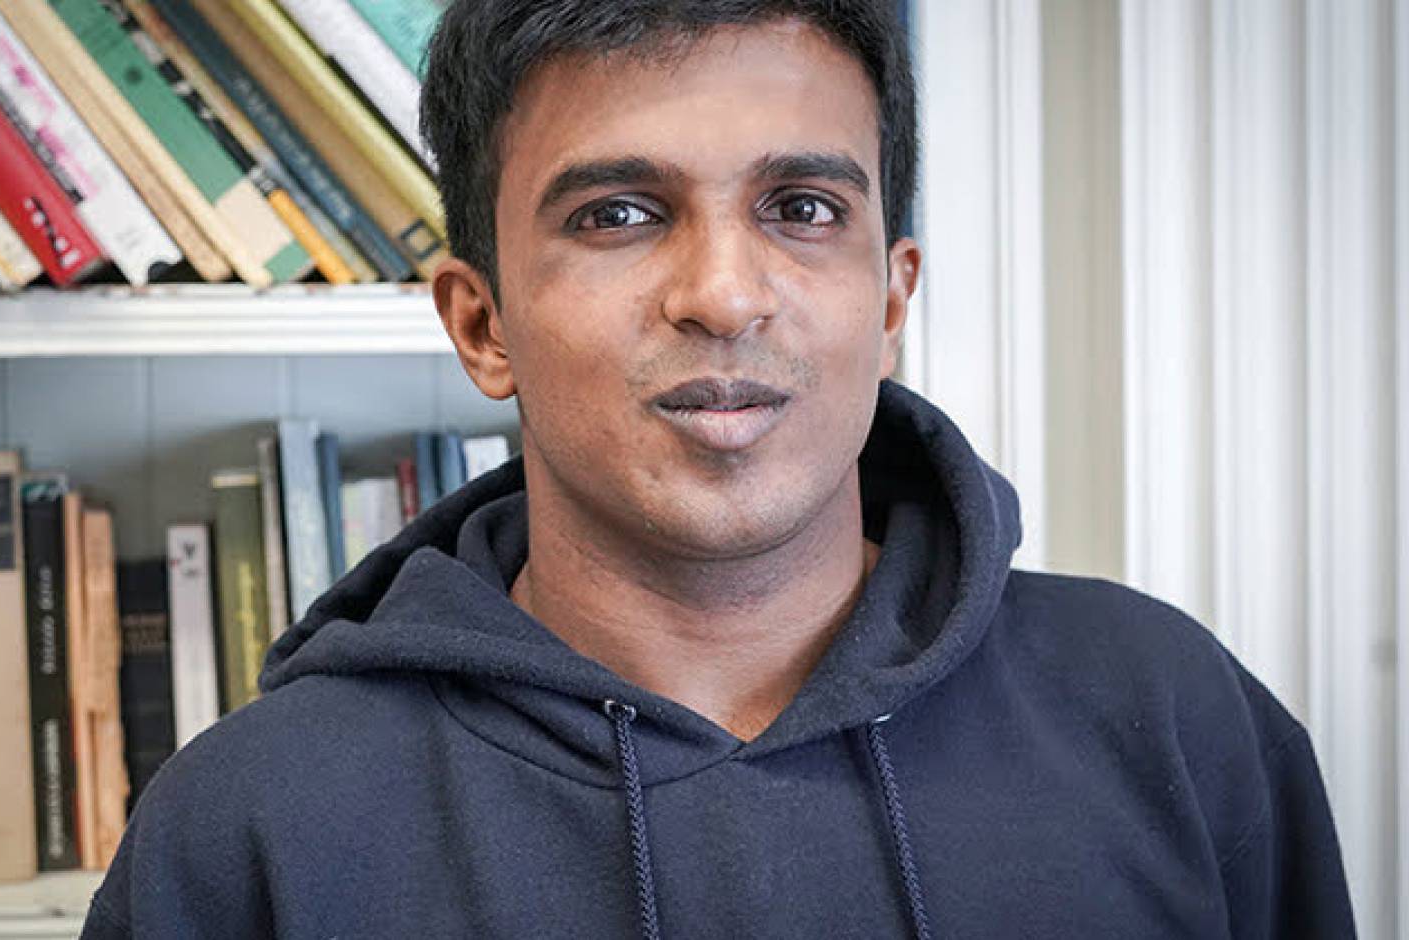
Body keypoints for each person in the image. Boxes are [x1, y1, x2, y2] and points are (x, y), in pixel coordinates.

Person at [81, 2, 1355, 936]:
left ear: (891, 291)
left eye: (802, 207)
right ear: (482, 324)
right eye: (617, 214)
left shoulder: (1181, 722)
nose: (725, 294)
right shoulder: (249, 830)